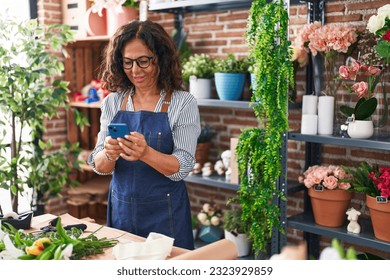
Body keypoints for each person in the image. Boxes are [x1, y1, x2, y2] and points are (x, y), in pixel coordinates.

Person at [87, 20, 201, 250]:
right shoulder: (112, 102)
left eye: (144, 61)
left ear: (161, 58)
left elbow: (184, 165)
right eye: (128, 63)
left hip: (166, 216)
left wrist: (146, 153)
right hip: (122, 213)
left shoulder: (182, 103)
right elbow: (99, 165)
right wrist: (109, 154)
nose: (135, 70)